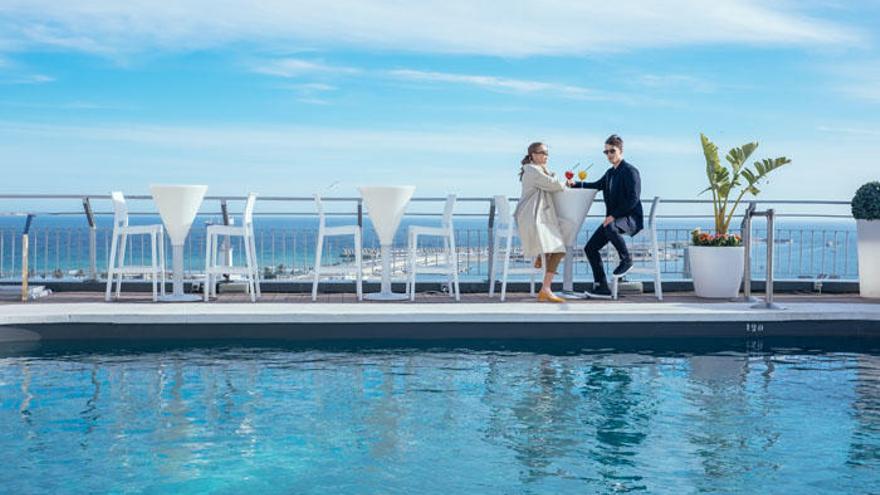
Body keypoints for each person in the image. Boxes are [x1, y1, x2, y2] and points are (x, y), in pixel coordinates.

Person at [568, 134, 643, 297]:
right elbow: (596, 185)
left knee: (610, 226)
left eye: (612, 151)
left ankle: (626, 260)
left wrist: (614, 216)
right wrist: (575, 185)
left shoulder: (630, 171)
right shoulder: (610, 173)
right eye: (606, 152)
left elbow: (633, 199)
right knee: (590, 248)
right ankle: (602, 285)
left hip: (631, 218)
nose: (609, 155)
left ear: (621, 151)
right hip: (614, 221)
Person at [513, 142, 573, 303]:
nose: (546, 156)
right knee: (559, 249)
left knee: (556, 245)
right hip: (533, 217)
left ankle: (543, 255)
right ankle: (545, 288)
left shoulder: (537, 170)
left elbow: (549, 182)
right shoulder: (533, 170)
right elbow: (552, 185)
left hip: (537, 216)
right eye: (542, 153)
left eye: (547, 153)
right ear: (533, 154)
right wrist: (564, 183)